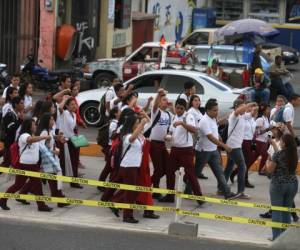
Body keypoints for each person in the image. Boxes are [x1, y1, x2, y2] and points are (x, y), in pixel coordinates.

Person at [0, 118, 53, 212]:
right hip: (24, 165)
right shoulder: (24, 135)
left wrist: (54, 137)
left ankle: (41, 205)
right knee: (18, 185)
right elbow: (30, 140)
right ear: (29, 126)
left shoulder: (33, 135)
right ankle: (2, 200)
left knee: (37, 186)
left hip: (33, 165)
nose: (35, 126)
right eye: (34, 125)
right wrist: (44, 137)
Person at [159, 98, 204, 205]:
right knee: (169, 172)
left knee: (190, 174)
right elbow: (170, 131)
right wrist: (168, 136)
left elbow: (193, 130)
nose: (179, 110)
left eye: (181, 108)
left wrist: (182, 123)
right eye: (177, 108)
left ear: (185, 108)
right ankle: (170, 196)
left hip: (186, 150)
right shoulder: (174, 117)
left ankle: (199, 197)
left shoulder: (188, 116)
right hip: (175, 150)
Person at [110, 114, 150, 223]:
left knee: (135, 191)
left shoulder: (139, 135)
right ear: (132, 125)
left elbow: (148, 124)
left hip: (134, 166)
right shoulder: (127, 136)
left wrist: (144, 120)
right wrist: (141, 124)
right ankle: (127, 216)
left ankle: (116, 203)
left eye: (138, 123)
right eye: (136, 123)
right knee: (131, 192)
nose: (138, 125)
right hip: (128, 167)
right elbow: (132, 138)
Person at [193, 98, 236, 199]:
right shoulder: (204, 121)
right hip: (203, 151)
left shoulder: (212, 119)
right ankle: (188, 190)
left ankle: (227, 193)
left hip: (213, 151)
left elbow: (215, 133)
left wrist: (220, 138)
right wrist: (223, 145)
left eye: (217, 110)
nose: (217, 112)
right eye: (214, 110)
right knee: (196, 173)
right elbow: (210, 137)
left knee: (219, 173)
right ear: (208, 110)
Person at [265, 134, 298, 240]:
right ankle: (285, 236)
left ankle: (276, 236)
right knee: (286, 210)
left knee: (277, 211)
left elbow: (270, 169)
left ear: (284, 143)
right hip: (292, 184)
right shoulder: (294, 154)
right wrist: (274, 146)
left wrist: (267, 162)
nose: (280, 142)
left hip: (278, 185)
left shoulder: (278, 154)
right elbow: (280, 156)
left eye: (281, 141)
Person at [224, 100, 257, 199]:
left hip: (234, 145)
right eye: (242, 106)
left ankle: (221, 187)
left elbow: (252, 114)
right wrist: (248, 104)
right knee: (243, 167)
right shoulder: (234, 115)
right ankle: (240, 191)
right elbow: (241, 110)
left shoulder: (242, 116)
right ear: (237, 107)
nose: (245, 109)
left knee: (229, 167)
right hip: (233, 146)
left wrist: (255, 107)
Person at [148, 88, 172, 199]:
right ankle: (155, 190)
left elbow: (180, 115)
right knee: (158, 169)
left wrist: (171, 106)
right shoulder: (156, 112)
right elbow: (154, 105)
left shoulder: (168, 114)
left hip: (162, 144)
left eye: (166, 99)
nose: (166, 101)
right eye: (164, 100)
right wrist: (159, 94)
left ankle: (147, 184)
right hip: (154, 144)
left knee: (167, 168)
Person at [231, 103, 258, 188]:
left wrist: (255, 108)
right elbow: (250, 113)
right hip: (243, 141)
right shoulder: (242, 117)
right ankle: (244, 180)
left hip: (250, 141)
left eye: (251, 108)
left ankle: (234, 173)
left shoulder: (252, 119)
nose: (251, 109)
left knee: (246, 162)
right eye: (249, 108)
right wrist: (250, 106)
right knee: (245, 162)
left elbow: (253, 114)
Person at [58, 96, 82, 188]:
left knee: (74, 161)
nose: (74, 106)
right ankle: (54, 179)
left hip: (74, 140)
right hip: (65, 141)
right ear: (67, 106)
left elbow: (73, 128)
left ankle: (74, 181)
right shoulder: (65, 113)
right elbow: (60, 107)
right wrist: (64, 99)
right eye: (71, 104)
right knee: (63, 162)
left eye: (74, 104)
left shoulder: (75, 115)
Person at [98, 107, 120, 185]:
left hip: (112, 147)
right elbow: (112, 135)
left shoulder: (117, 122)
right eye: (119, 111)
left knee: (111, 166)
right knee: (109, 167)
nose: (121, 112)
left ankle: (110, 182)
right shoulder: (114, 123)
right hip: (110, 147)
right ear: (115, 114)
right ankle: (101, 183)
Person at [1, 97, 24, 167]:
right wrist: (20, 120)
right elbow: (10, 130)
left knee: (13, 164)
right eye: (21, 103)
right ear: (16, 105)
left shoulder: (18, 115)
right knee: (6, 164)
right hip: (9, 144)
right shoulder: (10, 115)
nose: (23, 105)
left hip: (15, 144)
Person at [254, 103, 271, 175]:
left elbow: (268, 130)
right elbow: (257, 132)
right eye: (268, 109)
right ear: (263, 110)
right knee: (264, 155)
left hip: (264, 141)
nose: (269, 110)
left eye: (269, 109)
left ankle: (260, 170)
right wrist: (268, 129)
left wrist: (269, 137)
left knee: (254, 157)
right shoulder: (260, 119)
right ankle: (260, 170)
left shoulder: (266, 119)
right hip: (258, 141)